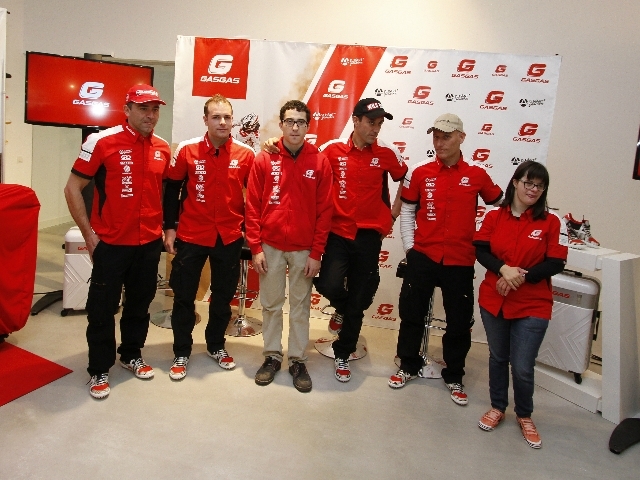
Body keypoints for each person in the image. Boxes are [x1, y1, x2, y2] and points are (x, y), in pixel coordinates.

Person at [263, 98, 408, 383]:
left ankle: (343, 352)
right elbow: (303, 157)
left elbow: (407, 178)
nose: (375, 129)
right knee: (328, 284)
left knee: (360, 295)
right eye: (371, 123)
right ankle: (344, 309)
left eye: (379, 124)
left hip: (369, 235)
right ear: (355, 121)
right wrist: (272, 143)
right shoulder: (331, 149)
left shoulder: (387, 152)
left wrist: (392, 215)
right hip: (337, 232)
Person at [64, 85, 171, 399]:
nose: (150, 115)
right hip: (110, 244)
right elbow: (72, 188)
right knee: (102, 310)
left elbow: (165, 192)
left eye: (155, 109)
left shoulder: (163, 147)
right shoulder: (101, 141)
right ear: (127, 110)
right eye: (143, 108)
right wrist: (89, 235)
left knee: (139, 305)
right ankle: (99, 369)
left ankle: (131, 354)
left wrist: (165, 229)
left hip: (148, 244)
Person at [390, 113, 503, 407]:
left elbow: (500, 206)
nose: (439, 143)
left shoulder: (477, 174)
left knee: (458, 323)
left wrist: (486, 238)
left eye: (446, 137)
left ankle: (454, 375)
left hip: (460, 260)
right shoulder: (420, 171)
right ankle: (408, 365)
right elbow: (407, 211)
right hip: (423, 256)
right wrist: (410, 248)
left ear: (461, 138)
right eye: (436, 137)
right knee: (411, 315)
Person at [473, 160, 568, 448]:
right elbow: (481, 251)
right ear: (515, 182)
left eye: (540, 186)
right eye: (528, 183)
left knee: (523, 366)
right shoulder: (493, 216)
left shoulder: (552, 221)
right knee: (498, 358)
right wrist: (503, 270)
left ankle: (524, 414)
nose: (533, 190)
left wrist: (519, 277)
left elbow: (556, 262)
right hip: (494, 299)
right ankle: (498, 407)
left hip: (532, 303)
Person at [163, 94, 255, 380]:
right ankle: (181, 351)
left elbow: (255, 197)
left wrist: (248, 229)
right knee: (184, 297)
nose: (222, 122)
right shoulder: (187, 150)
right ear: (205, 120)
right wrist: (169, 228)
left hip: (228, 237)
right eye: (216, 117)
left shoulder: (246, 154)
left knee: (222, 297)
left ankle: (216, 345)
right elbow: (171, 189)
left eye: (227, 117)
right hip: (191, 234)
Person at [246, 100, 333, 393]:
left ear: (308, 126)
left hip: (303, 249)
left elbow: (325, 211)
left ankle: (297, 360)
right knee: (271, 305)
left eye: (300, 122)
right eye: (290, 121)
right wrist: (256, 247)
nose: (295, 127)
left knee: (300, 308)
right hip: (270, 245)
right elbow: (252, 205)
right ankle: (272, 356)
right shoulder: (264, 158)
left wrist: (317, 252)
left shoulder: (319, 161)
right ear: (281, 124)